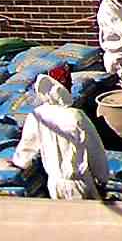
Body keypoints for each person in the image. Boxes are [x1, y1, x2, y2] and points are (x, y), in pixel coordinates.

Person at [21, 70, 104, 201]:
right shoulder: (76, 116)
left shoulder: (37, 115)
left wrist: (20, 163)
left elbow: (27, 146)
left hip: (54, 183)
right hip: (78, 183)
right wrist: (102, 176)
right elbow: (95, 149)